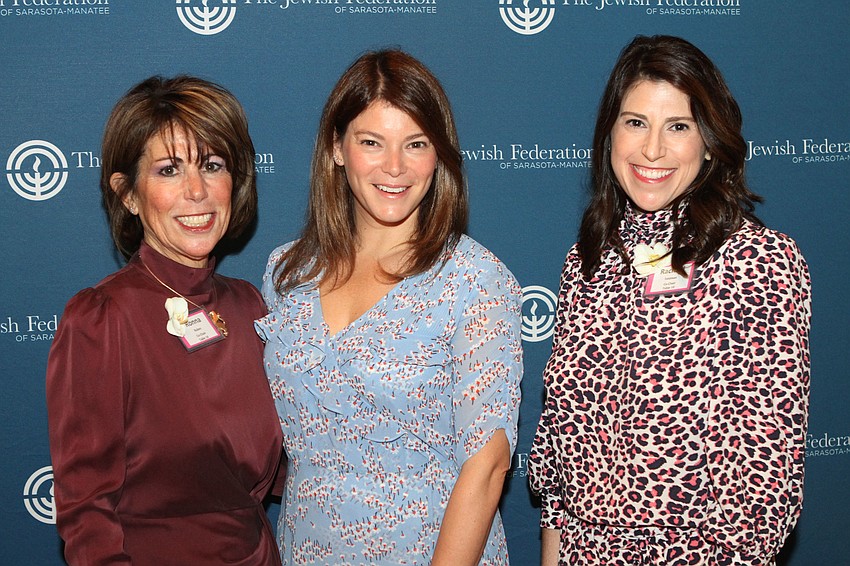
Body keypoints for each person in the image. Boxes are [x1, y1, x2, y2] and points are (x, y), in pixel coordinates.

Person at [529, 35, 811, 565]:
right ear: (609, 133)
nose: (652, 149)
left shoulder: (758, 261)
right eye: (635, 122)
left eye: (677, 127)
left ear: (709, 142)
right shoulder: (588, 262)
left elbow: (765, 480)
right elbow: (560, 467)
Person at [256, 49, 523, 565]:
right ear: (337, 147)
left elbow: (487, 466)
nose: (394, 167)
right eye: (371, 142)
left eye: (416, 144)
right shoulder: (287, 272)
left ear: (439, 155)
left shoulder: (474, 280)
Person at [46, 75, 284, 565]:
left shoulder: (249, 307)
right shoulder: (102, 319)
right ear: (128, 195)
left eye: (212, 165)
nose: (196, 191)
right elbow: (87, 511)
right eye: (170, 170)